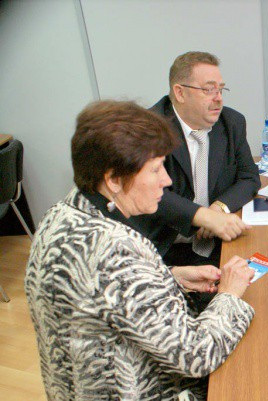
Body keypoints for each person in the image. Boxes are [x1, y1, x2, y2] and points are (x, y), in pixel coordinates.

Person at [25, 101, 256, 401]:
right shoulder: (115, 250)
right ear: (114, 179)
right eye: (156, 169)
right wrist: (229, 295)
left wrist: (168, 277)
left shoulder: (59, 215)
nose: (167, 181)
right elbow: (196, 355)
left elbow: (102, 293)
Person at [133, 51, 260, 267]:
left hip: (220, 242)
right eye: (209, 90)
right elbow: (149, 192)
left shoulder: (232, 122)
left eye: (221, 89)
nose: (218, 98)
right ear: (180, 93)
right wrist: (201, 217)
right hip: (165, 248)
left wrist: (218, 209)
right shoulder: (148, 128)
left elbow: (249, 177)